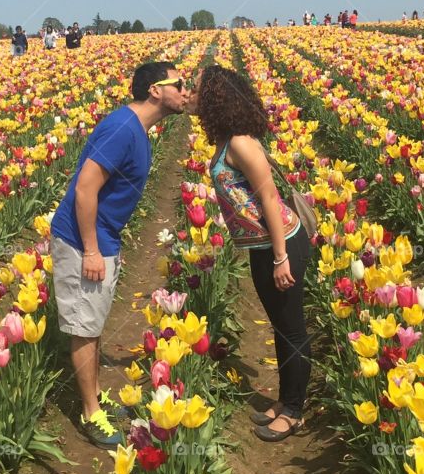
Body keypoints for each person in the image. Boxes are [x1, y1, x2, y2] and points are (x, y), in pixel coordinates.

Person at [50, 63, 188, 446]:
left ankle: (95, 398)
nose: (185, 90)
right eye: (179, 84)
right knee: (83, 326)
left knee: (91, 323)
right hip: (82, 241)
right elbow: (85, 188)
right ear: (155, 90)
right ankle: (91, 414)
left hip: (102, 238)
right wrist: (92, 250)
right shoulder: (123, 128)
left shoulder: (138, 130)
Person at [187, 65, 311, 441]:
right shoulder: (227, 140)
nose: (190, 94)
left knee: (291, 327)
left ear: (214, 98)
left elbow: (269, 198)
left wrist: (279, 256)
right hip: (263, 247)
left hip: (283, 243)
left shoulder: (240, 142)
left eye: (196, 90)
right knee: (279, 324)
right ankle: (285, 399)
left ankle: (294, 411)